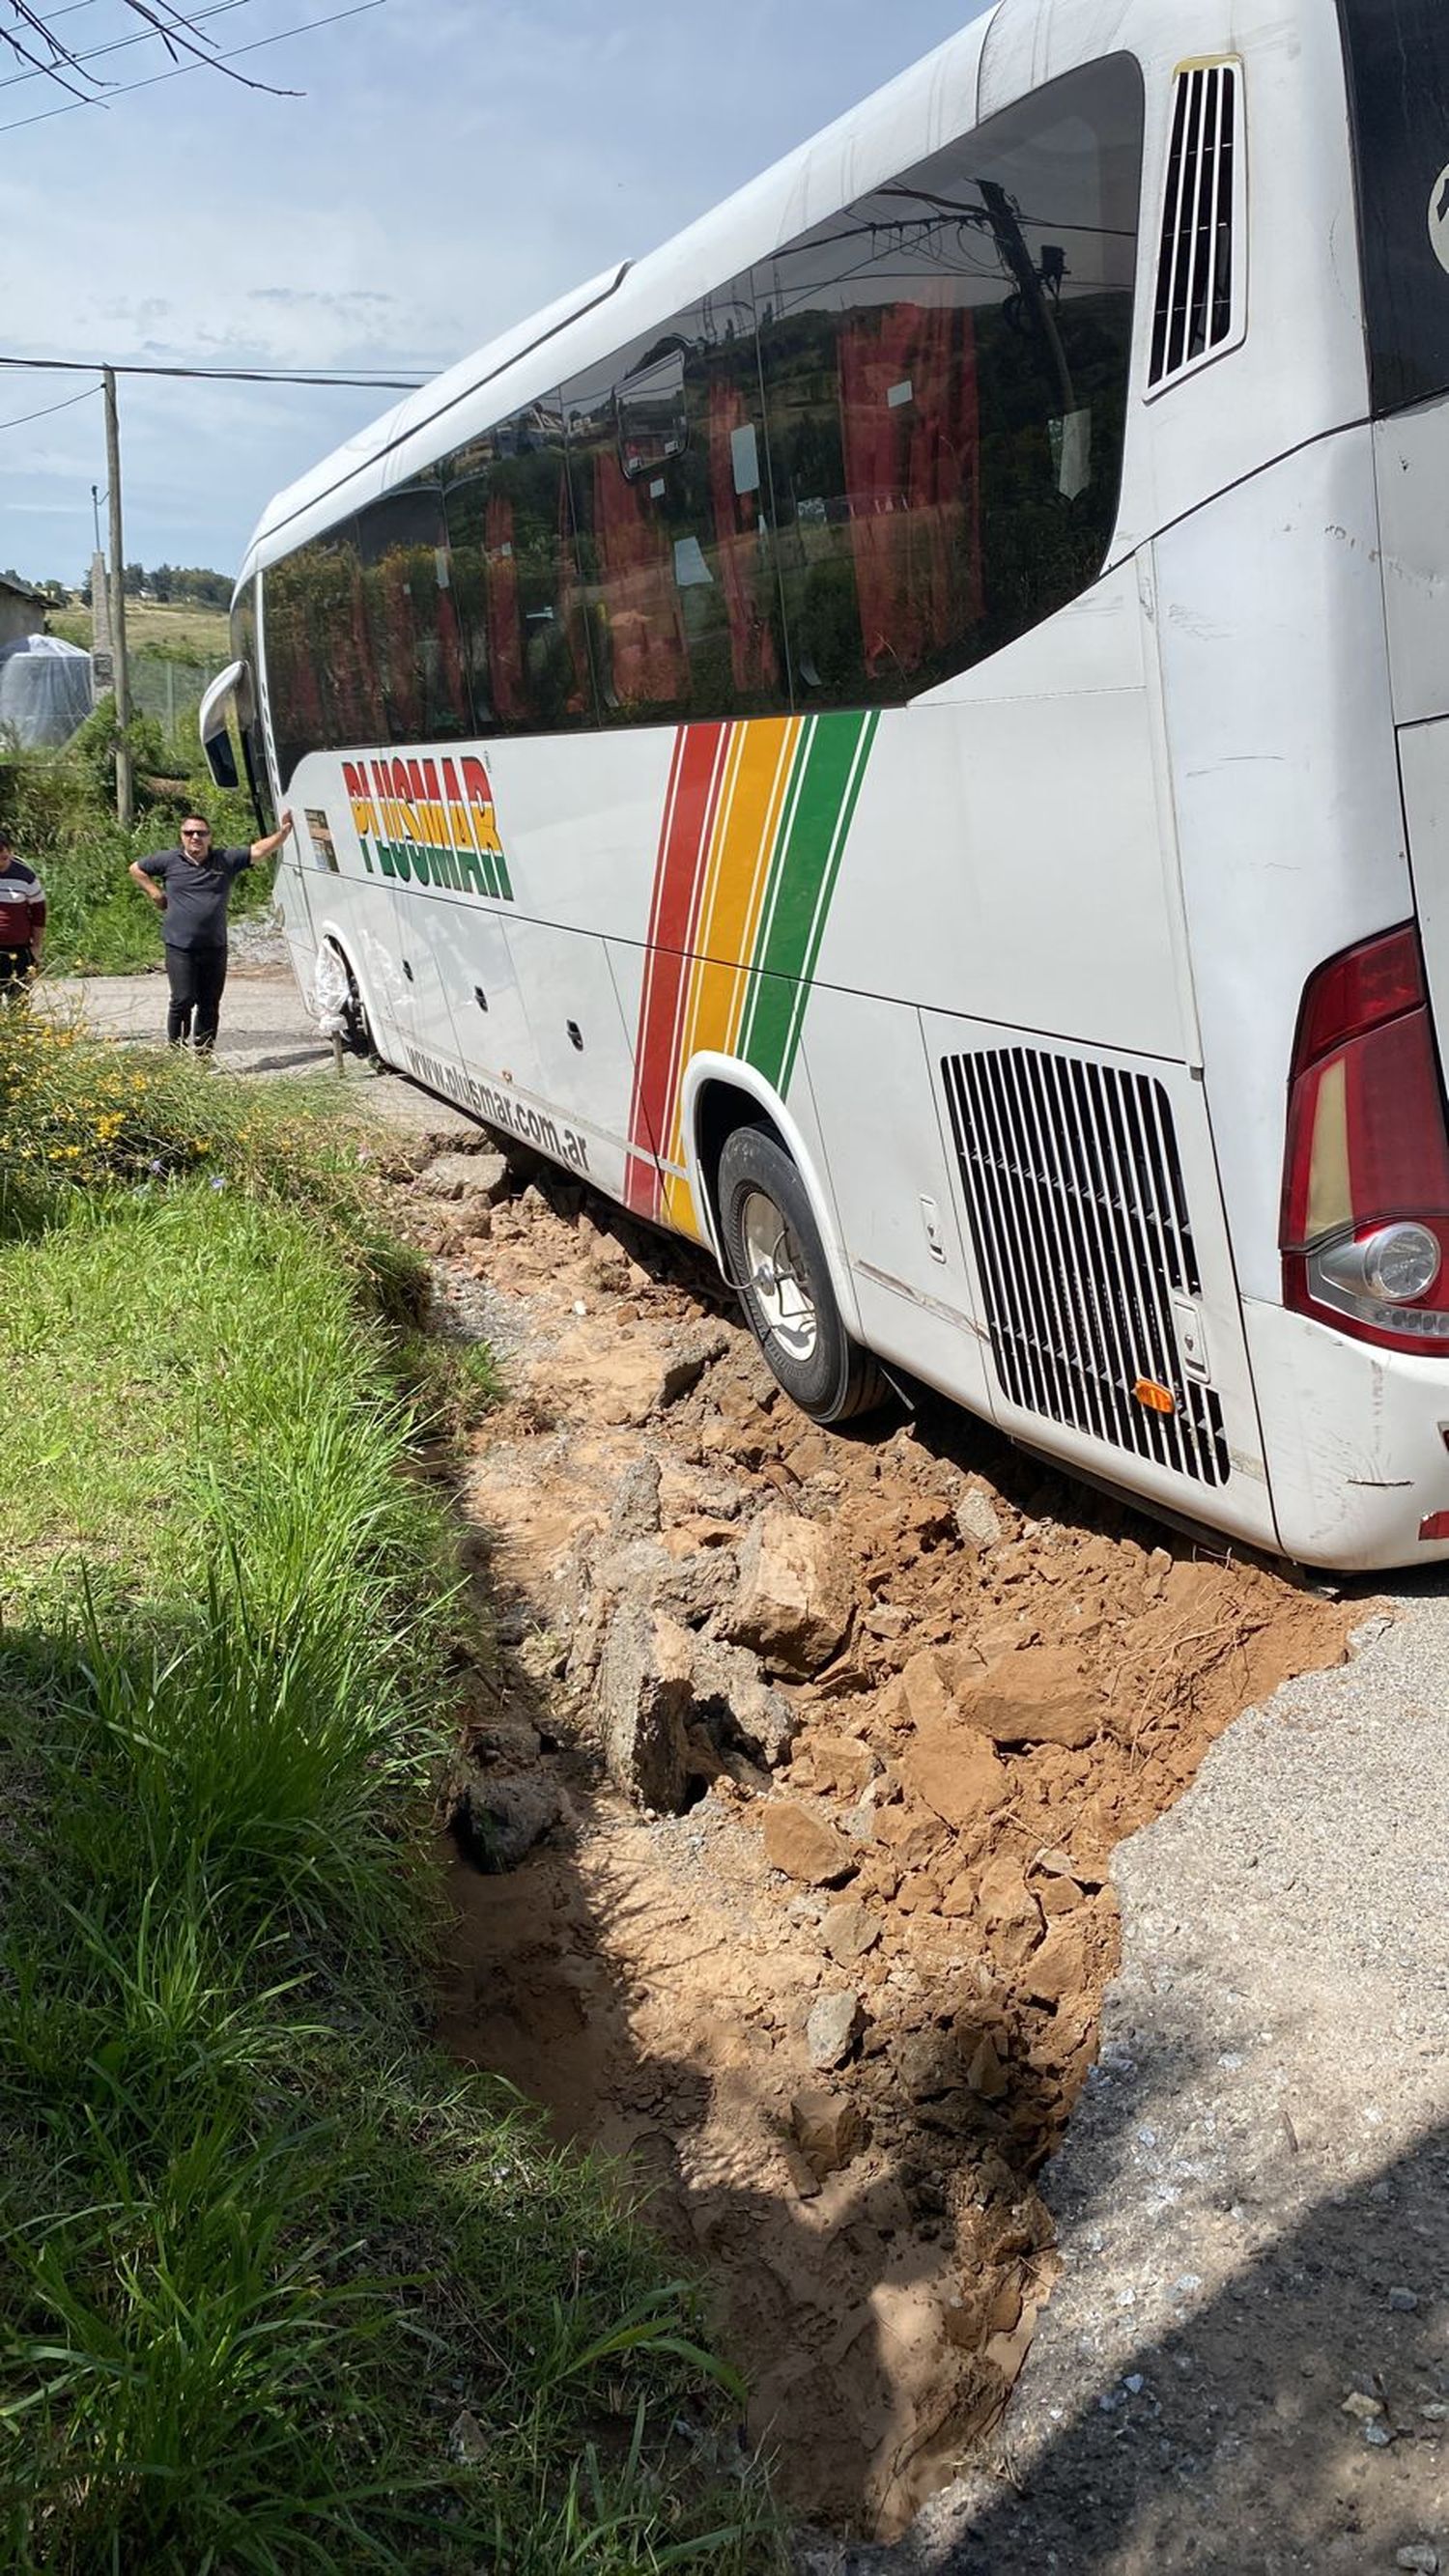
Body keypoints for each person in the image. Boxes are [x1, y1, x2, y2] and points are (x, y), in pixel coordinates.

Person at [128, 808, 292, 1053]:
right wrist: (155, 893)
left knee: (209, 1003)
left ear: (209, 837)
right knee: (182, 999)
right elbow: (136, 869)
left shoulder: (224, 860)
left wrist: (284, 832)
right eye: (189, 832)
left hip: (214, 946)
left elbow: (258, 851)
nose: (195, 837)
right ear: (181, 836)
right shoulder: (169, 860)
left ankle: (204, 1054)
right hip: (179, 946)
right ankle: (175, 1049)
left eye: (201, 833)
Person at [0, 830, 45, 1004]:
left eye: (5, 858)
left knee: (18, 1000)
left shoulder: (25, 876)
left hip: (19, 948)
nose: (2, 864)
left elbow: (39, 913)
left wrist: (37, 946)